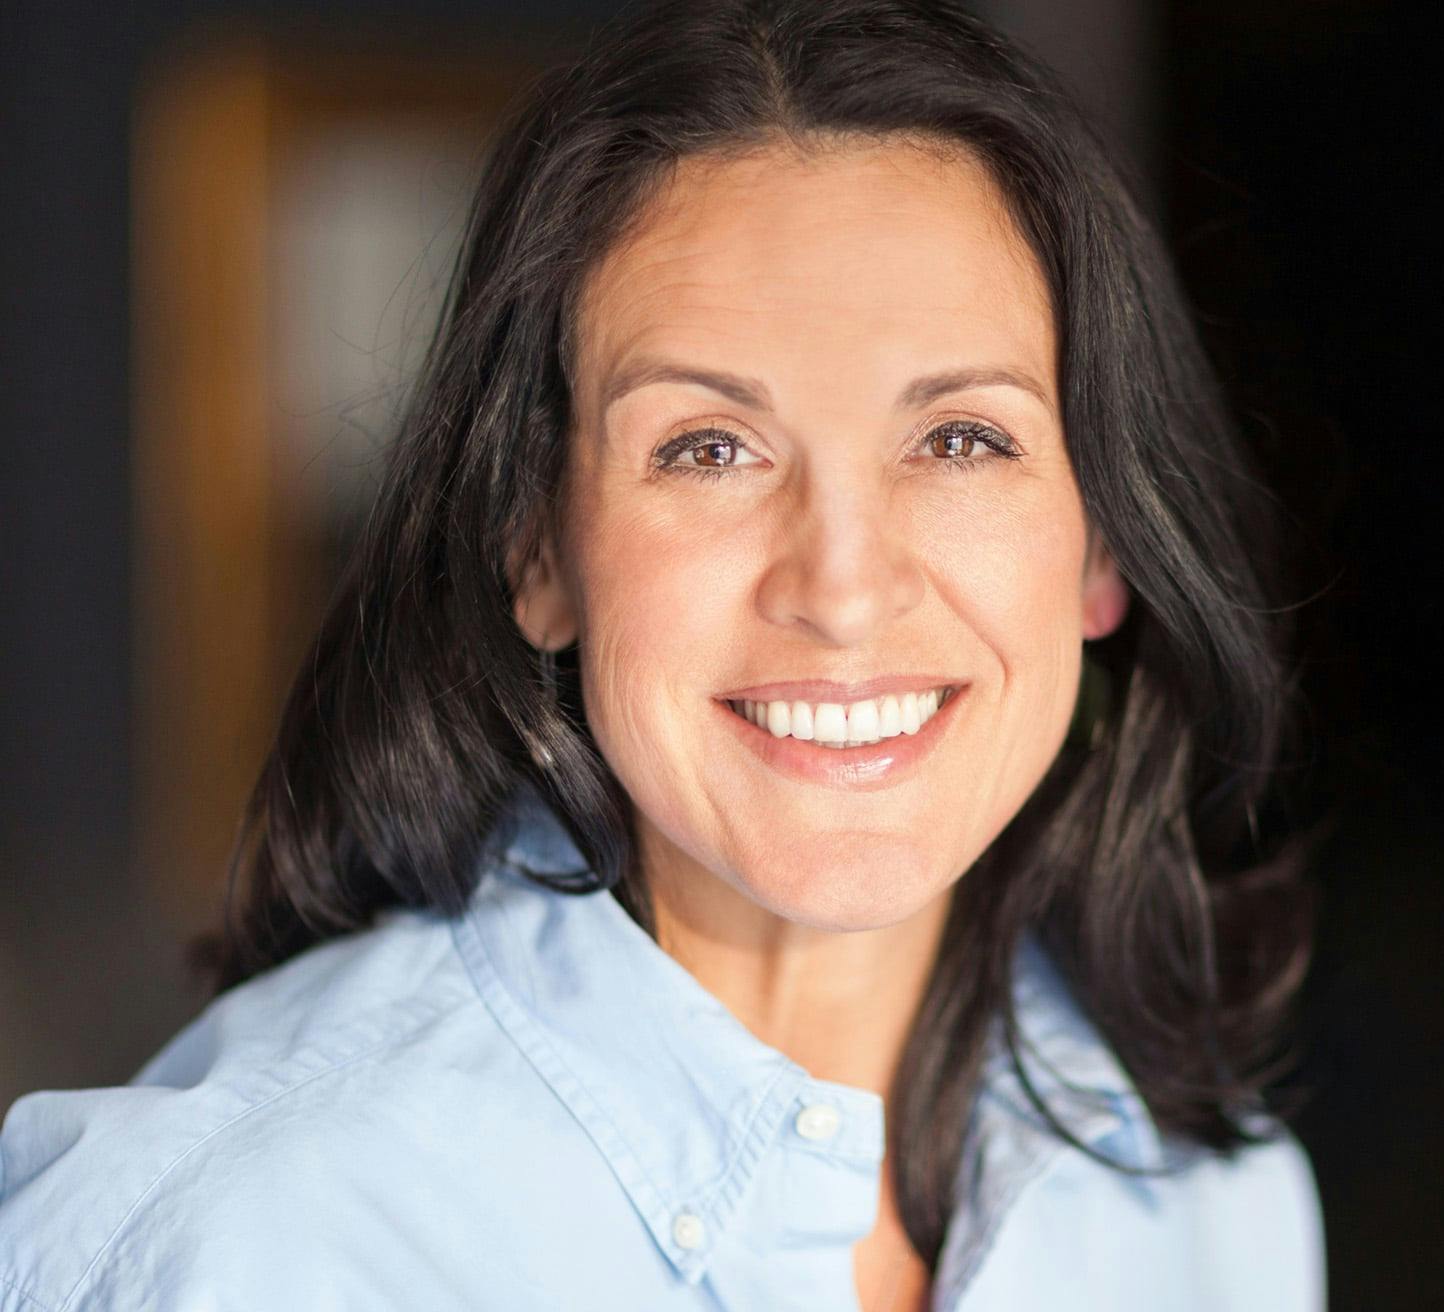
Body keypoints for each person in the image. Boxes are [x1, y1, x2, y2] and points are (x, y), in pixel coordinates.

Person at [0, 2, 1322, 1308]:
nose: (844, 590)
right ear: (540, 554)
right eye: (708, 447)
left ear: (1103, 549)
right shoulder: (243, 1248)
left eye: (961, 439)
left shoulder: (1201, 1209)